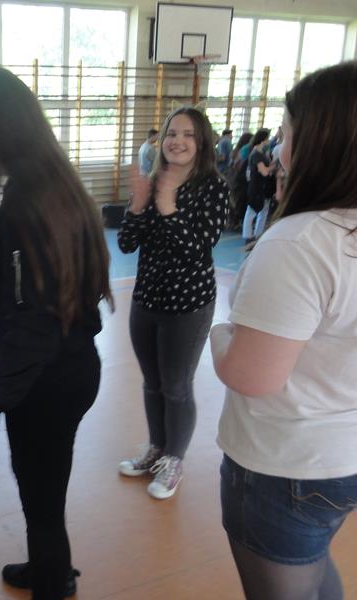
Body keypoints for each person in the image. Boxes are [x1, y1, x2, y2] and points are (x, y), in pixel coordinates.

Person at [0, 67, 113, 600]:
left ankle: (53, 580)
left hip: (46, 380)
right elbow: (49, 277)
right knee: (45, 491)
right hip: (72, 367)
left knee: (41, 498)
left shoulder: (27, 201)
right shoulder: (57, 184)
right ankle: (52, 567)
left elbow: (35, 325)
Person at [211, 60, 357, 600]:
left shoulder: (303, 242)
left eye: (286, 132)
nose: (279, 147)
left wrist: (220, 333)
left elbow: (252, 376)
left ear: (319, 142)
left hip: (286, 463)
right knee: (314, 566)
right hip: (344, 456)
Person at [117, 107, 229, 500]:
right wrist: (138, 205)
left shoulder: (213, 188)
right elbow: (126, 243)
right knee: (152, 383)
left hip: (189, 305)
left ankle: (174, 459)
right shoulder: (152, 183)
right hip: (147, 299)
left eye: (188, 135)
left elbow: (198, 249)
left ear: (202, 143)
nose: (177, 141)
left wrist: (167, 204)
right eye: (171, 133)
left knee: (176, 387)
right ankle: (157, 447)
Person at [242, 128, 273, 243]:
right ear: (263, 140)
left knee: (263, 211)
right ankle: (248, 235)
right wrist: (273, 167)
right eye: (267, 138)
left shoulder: (260, 153)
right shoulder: (256, 154)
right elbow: (264, 171)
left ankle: (257, 234)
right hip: (256, 187)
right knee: (252, 211)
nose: (269, 141)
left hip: (261, 187)